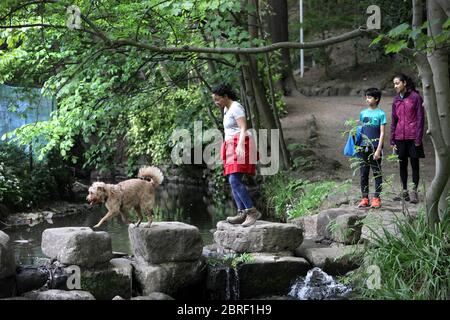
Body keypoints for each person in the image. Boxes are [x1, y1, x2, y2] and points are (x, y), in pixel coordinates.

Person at [211, 83, 260, 227]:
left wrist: (239, 145)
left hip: (240, 144)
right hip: (230, 146)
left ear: (226, 96)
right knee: (232, 180)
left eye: (217, 99)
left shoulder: (236, 107)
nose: (216, 103)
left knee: (234, 180)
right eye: (214, 100)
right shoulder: (226, 109)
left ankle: (252, 212)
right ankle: (242, 213)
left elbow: (243, 127)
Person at [391, 74, 425, 204]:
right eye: (394, 84)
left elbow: (421, 118)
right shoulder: (396, 100)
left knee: (414, 165)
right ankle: (404, 191)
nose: (395, 86)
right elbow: (394, 120)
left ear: (404, 83)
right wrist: (392, 139)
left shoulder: (416, 97)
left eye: (397, 83)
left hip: (413, 137)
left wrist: (418, 138)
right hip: (400, 137)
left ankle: (414, 192)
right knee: (402, 165)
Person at [357, 88, 386, 209]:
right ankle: (364, 198)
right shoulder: (363, 113)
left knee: (376, 173)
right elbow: (360, 130)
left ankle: (376, 198)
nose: (367, 99)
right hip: (363, 147)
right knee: (363, 174)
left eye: (369, 97)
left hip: (375, 147)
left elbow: (382, 133)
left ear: (376, 99)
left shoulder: (381, 114)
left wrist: (378, 149)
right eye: (366, 97)